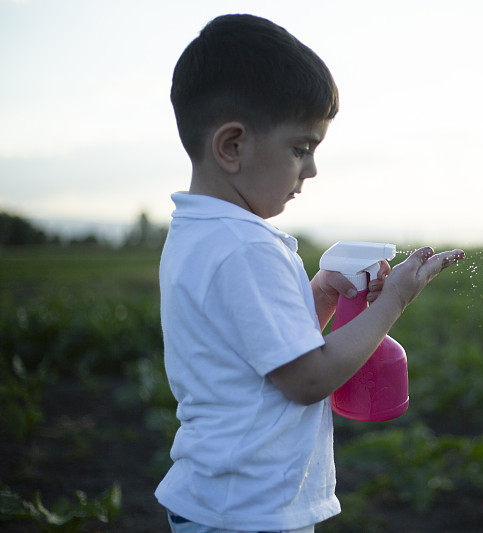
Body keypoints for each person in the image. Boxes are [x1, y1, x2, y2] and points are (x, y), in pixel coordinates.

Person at [155, 13, 465, 533]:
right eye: (301, 148)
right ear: (231, 146)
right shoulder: (245, 247)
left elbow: (262, 349)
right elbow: (307, 378)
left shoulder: (201, 233)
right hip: (249, 513)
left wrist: (318, 297)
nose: (312, 169)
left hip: (222, 502)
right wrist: (394, 302)